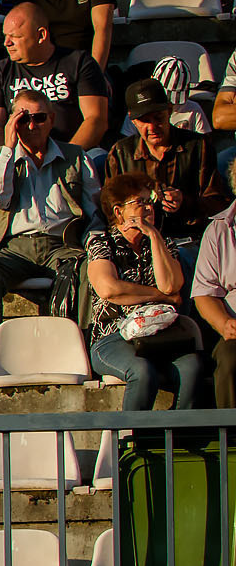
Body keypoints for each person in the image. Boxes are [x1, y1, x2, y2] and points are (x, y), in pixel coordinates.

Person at [0, 85, 103, 358]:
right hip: (12, 246)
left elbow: (95, 210)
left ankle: (85, 350)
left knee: (92, 268)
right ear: (12, 122)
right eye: (22, 118)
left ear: (51, 120)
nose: (31, 125)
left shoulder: (76, 156)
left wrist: (95, 245)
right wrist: (8, 148)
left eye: (39, 118)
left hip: (63, 243)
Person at [84, 171, 208, 415]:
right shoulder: (101, 242)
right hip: (113, 336)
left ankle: (179, 441)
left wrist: (153, 236)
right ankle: (135, 443)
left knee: (192, 367)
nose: (149, 207)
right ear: (119, 212)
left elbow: (171, 285)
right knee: (142, 371)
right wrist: (161, 297)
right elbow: (110, 289)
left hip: (161, 335)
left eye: (150, 201)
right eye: (140, 202)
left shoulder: (163, 243)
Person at [112, 77, 229, 260]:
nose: (152, 127)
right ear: (132, 121)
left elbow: (218, 204)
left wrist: (185, 202)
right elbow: (110, 208)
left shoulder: (198, 146)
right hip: (136, 243)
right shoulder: (120, 153)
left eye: (158, 118)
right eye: (144, 121)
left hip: (187, 241)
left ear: (169, 110)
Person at [0, 1, 108, 150]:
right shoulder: (0, 72)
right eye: (5, 36)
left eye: (15, 36)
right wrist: (12, 155)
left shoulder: (79, 63)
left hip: (75, 152)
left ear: (41, 35)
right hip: (18, 156)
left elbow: (96, 120)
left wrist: (67, 157)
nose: (7, 43)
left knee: (99, 161)